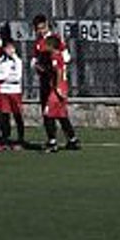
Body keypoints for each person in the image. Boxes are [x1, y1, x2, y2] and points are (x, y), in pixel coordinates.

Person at [31, 16, 81, 152]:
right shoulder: (38, 42)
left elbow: (65, 58)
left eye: (43, 28)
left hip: (54, 84)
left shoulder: (55, 40)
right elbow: (34, 60)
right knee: (59, 113)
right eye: (38, 29)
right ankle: (72, 139)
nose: (41, 31)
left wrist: (53, 68)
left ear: (47, 25)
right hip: (47, 81)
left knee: (49, 112)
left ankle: (52, 142)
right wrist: (37, 66)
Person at [0, 30, 26, 149]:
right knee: (4, 116)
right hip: (4, 91)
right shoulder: (0, 62)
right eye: (7, 48)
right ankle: (5, 138)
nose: (9, 50)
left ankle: (21, 138)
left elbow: (17, 77)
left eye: (11, 47)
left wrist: (6, 77)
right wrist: (7, 76)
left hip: (15, 91)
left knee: (17, 115)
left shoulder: (18, 61)